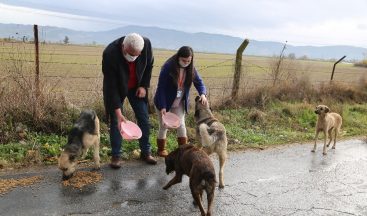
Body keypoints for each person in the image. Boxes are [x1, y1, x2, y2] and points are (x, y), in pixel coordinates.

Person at [102, 33, 157, 168]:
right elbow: (111, 86)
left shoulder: (146, 45)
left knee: (143, 117)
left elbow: (149, 65)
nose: (133, 58)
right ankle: (116, 156)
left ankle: (146, 152)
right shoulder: (110, 53)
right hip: (118, 87)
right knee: (116, 120)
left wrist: (144, 85)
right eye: (130, 54)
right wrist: (117, 111)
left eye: (136, 55)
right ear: (123, 46)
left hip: (137, 87)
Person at [154, 46, 208, 157]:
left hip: (179, 103)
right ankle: (161, 150)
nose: (186, 63)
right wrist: (163, 107)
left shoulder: (191, 68)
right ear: (178, 57)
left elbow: (199, 82)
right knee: (164, 126)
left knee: (181, 125)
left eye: (189, 61)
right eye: (184, 60)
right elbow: (161, 88)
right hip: (164, 101)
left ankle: (183, 152)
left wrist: (203, 94)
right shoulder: (168, 67)